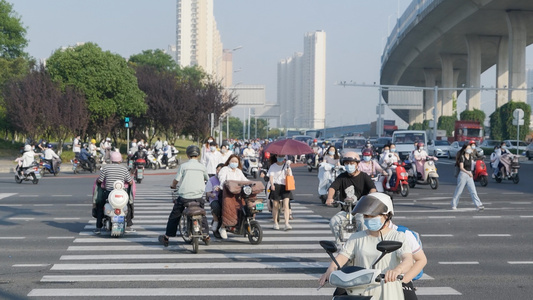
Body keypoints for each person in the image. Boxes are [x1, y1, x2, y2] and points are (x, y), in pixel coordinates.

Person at [318, 193, 414, 299]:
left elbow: (408, 261)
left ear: (386, 215)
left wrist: (397, 271)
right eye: (365, 216)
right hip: (361, 293)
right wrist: (330, 269)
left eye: (372, 216)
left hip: (388, 292)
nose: (368, 219)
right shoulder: (356, 237)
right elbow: (341, 257)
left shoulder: (398, 236)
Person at [159, 145, 209, 247]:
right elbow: (207, 179)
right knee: (202, 215)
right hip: (198, 197)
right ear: (198, 155)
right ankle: (206, 236)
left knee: (175, 216)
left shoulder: (184, 166)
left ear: (187, 155)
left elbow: (176, 180)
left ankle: (167, 237)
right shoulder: (202, 167)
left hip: (184, 197)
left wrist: (173, 186)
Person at [326, 151, 377, 244]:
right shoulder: (342, 177)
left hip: (361, 210)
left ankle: (363, 244)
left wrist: (370, 197)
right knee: (334, 222)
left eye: (352, 163)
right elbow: (333, 187)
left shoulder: (364, 176)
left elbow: (372, 188)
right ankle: (340, 244)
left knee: (362, 223)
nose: (349, 165)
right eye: (346, 163)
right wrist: (330, 198)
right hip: (346, 211)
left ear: (357, 164)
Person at [94, 151, 133, 234]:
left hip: (108, 194)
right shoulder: (124, 169)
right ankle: (128, 225)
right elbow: (130, 182)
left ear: (111, 160)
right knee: (128, 206)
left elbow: (100, 180)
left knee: (100, 206)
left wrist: (98, 181)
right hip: (121, 195)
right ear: (120, 160)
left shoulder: (106, 168)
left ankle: (98, 227)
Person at [217, 154, 249, 239]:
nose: (234, 163)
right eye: (232, 161)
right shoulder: (225, 169)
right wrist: (227, 185)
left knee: (244, 207)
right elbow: (222, 179)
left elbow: (244, 180)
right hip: (226, 193)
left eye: (236, 162)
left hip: (238, 193)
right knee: (229, 210)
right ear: (229, 161)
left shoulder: (238, 171)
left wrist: (251, 183)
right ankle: (222, 227)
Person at [451, 143, 484, 211]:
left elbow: (476, 160)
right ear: (465, 149)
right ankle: (454, 204)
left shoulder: (471, 156)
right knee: (459, 191)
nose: (470, 149)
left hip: (469, 174)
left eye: (470, 148)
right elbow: (461, 168)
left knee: (473, 191)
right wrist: (468, 173)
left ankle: (478, 205)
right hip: (463, 174)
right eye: (468, 148)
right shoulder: (462, 157)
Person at [267, 154, 294, 231]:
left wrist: (288, 172)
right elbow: (271, 176)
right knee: (275, 205)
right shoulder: (273, 166)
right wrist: (272, 184)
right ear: (276, 157)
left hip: (285, 186)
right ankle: (275, 222)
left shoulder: (287, 166)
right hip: (276, 186)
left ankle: (286, 223)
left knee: (286, 205)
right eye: (279, 156)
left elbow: (290, 176)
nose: (280, 158)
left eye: (282, 156)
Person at [205, 163, 225, 232]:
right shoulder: (211, 180)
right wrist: (211, 195)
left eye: (220, 170)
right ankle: (216, 220)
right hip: (215, 199)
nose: (218, 171)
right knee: (216, 206)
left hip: (225, 199)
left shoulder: (227, 179)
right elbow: (207, 193)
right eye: (217, 169)